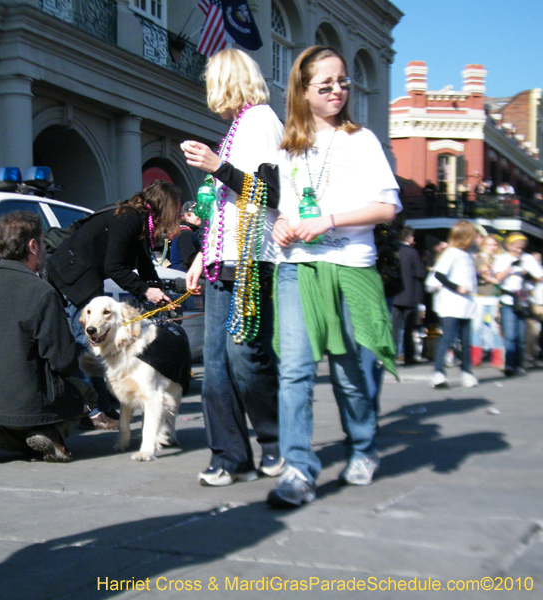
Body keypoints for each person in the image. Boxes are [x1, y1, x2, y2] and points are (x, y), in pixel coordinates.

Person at [265, 46, 400, 507]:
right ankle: (299, 470)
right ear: (301, 92)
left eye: (342, 82)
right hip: (296, 269)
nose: (338, 91)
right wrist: (280, 225)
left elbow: (387, 207)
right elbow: (277, 212)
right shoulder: (286, 146)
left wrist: (330, 220)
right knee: (296, 372)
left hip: (349, 269)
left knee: (347, 373)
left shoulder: (361, 140)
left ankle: (363, 446)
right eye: (326, 85)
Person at [181, 48, 282, 487]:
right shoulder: (237, 128)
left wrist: (217, 165)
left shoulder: (261, 122)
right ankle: (229, 455)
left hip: (252, 258)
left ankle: (276, 441)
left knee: (245, 355)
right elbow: (225, 206)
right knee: (217, 364)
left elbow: (270, 192)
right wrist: (205, 253)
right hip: (226, 259)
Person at [46, 180, 181, 430]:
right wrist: (145, 290)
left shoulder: (138, 220)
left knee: (97, 345)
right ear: (165, 207)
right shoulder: (129, 219)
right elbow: (114, 267)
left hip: (83, 277)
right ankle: (94, 411)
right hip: (73, 278)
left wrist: (157, 290)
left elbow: (143, 263)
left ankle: (104, 407)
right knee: (88, 344)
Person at [0, 212, 88, 464]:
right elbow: (62, 360)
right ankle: (47, 431)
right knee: (84, 390)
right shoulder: (42, 293)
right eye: (42, 243)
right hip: (27, 403)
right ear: (33, 246)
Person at [428, 221, 479, 389]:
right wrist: (457, 288)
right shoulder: (452, 253)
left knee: (466, 341)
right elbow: (439, 275)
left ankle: (467, 372)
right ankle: (438, 372)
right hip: (451, 304)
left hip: (467, 305)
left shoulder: (467, 255)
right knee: (448, 338)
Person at [493, 233, 543, 376]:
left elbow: (539, 276)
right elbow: (497, 278)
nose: (519, 250)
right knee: (510, 335)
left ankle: (520, 364)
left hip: (524, 300)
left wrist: (529, 275)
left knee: (521, 336)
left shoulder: (528, 259)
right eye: (516, 247)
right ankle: (509, 365)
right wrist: (510, 268)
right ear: (508, 246)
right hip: (508, 300)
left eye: (522, 248)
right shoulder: (502, 258)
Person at [391, 226, 425, 365]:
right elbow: (420, 273)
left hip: (395, 295)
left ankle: (391, 355)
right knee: (408, 328)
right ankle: (409, 356)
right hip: (409, 295)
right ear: (409, 237)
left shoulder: (394, 251)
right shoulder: (412, 253)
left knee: (394, 328)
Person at [472, 233, 502, 368]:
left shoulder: (499, 259)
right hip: (480, 297)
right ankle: (476, 358)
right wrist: (489, 277)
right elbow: (479, 274)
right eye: (489, 244)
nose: (492, 247)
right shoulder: (479, 258)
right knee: (477, 327)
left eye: (494, 244)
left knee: (495, 328)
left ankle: (497, 358)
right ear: (484, 245)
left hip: (495, 298)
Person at [168, 201, 202, 272]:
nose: (200, 216)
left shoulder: (182, 231)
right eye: (197, 213)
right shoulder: (186, 233)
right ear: (187, 216)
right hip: (183, 275)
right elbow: (189, 259)